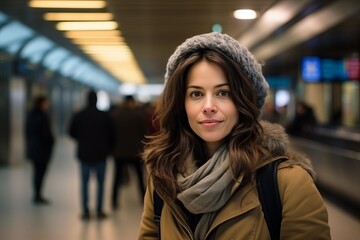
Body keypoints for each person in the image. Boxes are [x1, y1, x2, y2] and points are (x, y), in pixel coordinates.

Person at [138, 32, 330, 239]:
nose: (208, 106)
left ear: (244, 101)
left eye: (223, 93)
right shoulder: (163, 176)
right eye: (196, 94)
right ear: (181, 104)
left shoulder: (287, 183)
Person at [68, 90, 115, 220]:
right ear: (96, 100)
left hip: (84, 154)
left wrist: (82, 139)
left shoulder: (79, 115)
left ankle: (85, 211)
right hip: (101, 155)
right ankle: (99, 210)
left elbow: (71, 132)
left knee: (84, 183)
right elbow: (112, 134)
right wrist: (108, 148)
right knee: (101, 183)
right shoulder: (104, 116)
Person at [111, 95, 146, 210]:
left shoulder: (115, 115)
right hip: (135, 152)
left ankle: (114, 201)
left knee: (117, 177)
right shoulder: (138, 115)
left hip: (119, 151)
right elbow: (144, 133)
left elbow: (111, 134)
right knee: (140, 177)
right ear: (131, 102)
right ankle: (143, 198)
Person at [25, 95, 54, 205]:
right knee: (40, 173)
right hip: (41, 150)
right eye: (46, 103)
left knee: (37, 172)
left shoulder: (30, 115)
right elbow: (46, 134)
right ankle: (38, 195)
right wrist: (51, 141)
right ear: (41, 104)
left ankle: (37, 194)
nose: (48, 105)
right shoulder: (42, 117)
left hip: (34, 149)